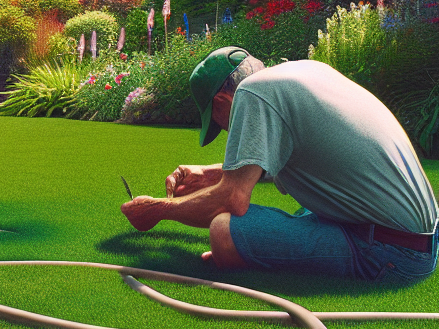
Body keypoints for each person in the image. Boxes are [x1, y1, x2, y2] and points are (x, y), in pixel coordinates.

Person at [121, 46, 439, 282]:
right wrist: (212, 173)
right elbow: (305, 159)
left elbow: (232, 199)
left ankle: (251, 249)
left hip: (388, 252)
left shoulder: (251, 93)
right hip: (420, 242)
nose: (228, 133)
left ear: (221, 103)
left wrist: (158, 210)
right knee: (257, 226)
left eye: (220, 124)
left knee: (223, 229)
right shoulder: (308, 71)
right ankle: (257, 247)